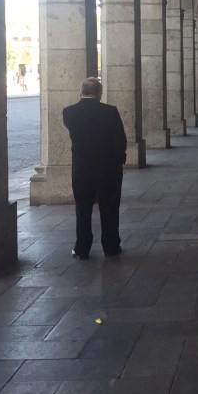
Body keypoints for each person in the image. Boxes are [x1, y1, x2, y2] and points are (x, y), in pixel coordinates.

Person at [62, 77, 127, 259]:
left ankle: (82, 248)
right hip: (109, 168)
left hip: (82, 168)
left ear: (80, 92)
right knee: (110, 208)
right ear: (100, 93)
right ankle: (111, 246)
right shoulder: (110, 112)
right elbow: (120, 140)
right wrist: (120, 160)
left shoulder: (69, 112)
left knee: (83, 209)